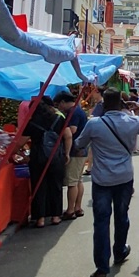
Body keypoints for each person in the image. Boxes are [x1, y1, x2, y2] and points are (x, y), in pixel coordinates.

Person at [75, 90, 139, 277]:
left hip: (101, 180)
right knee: (122, 216)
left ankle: (101, 268)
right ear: (122, 104)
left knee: (101, 222)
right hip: (124, 179)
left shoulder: (94, 124)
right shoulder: (132, 122)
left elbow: (79, 144)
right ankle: (120, 250)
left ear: (104, 105)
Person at [23, 94, 70, 228]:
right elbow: (68, 136)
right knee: (56, 186)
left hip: (38, 157)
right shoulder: (59, 118)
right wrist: (66, 153)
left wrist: (18, 153)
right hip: (56, 156)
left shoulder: (31, 122)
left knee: (39, 186)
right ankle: (55, 216)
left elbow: (20, 142)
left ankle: (40, 219)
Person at [60, 89, 90, 219]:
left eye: (59, 104)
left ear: (63, 102)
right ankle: (77, 207)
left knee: (72, 181)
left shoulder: (73, 113)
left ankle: (70, 210)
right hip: (82, 150)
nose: (59, 107)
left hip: (75, 150)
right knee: (78, 180)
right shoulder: (79, 110)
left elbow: (72, 130)